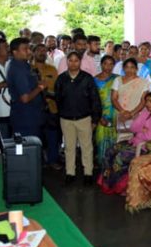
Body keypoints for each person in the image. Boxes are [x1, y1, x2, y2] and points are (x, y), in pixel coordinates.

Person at [99, 92, 151, 194]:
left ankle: (116, 185)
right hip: (133, 142)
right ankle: (106, 180)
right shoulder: (145, 112)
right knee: (110, 150)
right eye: (146, 101)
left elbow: (148, 137)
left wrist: (141, 131)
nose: (148, 104)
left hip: (144, 147)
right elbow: (133, 127)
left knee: (119, 158)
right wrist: (142, 129)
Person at [54, 51, 102, 185]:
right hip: (66, 119)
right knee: (69, 148)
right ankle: (70, 173)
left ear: (80, 62)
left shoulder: (87, 78)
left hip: (84, 118)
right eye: (71, 60)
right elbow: (58, 99)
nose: (73, 63)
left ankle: (88, 173)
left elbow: (95, 100)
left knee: (87, 147)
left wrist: (95, 119)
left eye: (76, 60)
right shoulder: (61, 79)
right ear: (66, 62)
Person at [7, 37, 45, 137]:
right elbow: (25, 98)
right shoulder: (18, 69)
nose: (29, 52)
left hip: (31, 116)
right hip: (25, 119)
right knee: (27, 150)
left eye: (29, 49)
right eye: (25, 49)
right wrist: (40, 87)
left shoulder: (24, 65)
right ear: (15, 52)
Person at [32, 43, 61, 170]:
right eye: (38, 50)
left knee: (52, 136)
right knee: (36, 137)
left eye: (44, 50)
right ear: (33, 52)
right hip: (34, 108)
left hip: (52, 108)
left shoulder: (52, 69)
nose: (42, 52)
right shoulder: (28, 69)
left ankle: (53, 160)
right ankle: (37, 162)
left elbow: (58, 89)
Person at [94, 55, 118, 168]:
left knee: (115, 143)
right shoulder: (94, 80)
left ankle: (113, 170)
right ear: (101, 64)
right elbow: (92, 101)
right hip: (101, 115)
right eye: (105, 64)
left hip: (116, 115)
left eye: (111, 64)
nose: (108, 67)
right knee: (101, 142)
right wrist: (98, 116)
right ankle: (103, 170)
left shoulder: (118, 79)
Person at [111, 58, 150, 127]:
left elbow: (143, 100)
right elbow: (114, 98)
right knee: (120, 136)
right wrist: (123, 111)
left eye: (132, 67)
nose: (129, 70)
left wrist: (132, 113)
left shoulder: (144, 82)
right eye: (126, 67)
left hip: (136, 114)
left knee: (136, 135)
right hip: (120, 113)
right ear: (123, 68)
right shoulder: (117, 80)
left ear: (136, 69)